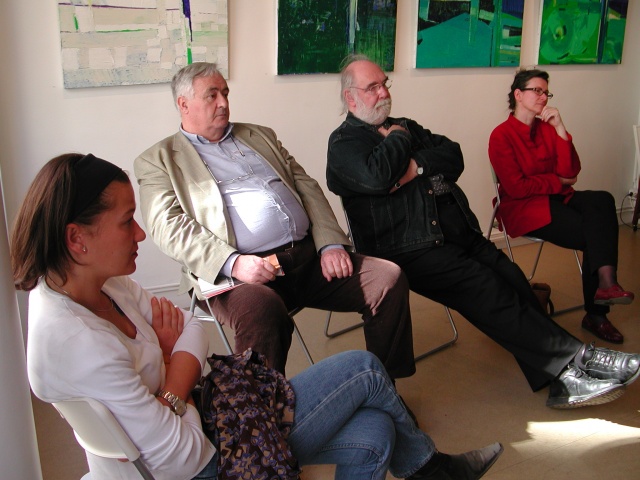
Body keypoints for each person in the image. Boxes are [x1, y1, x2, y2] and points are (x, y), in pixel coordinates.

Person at [12, 153, 504, 480]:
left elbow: (190, 329)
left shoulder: (102, 283)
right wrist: (177, 375)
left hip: (210, 412)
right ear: (77, 239)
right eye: (126, 222)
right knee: (365, 369)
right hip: (209, 462)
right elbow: (183, 457)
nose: (139, 234)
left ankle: (427, 469)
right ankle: (433, 470)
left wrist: (170, 383)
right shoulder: (72, 340)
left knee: (376, 432)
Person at [326, 55, 640, 409]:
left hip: (459, 232)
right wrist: (399, 138)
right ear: (351, 97)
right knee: (489, 289)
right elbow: (377, 177)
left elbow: (453, 155)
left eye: (385, 84)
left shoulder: (405, 124)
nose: (384, 93)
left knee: (514, 281)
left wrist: (416, 166)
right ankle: (579, 359)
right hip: (409, 247)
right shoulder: (345, 143)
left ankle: (560, 380)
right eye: (373, 87)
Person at [134, 62, 415, 379]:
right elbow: (167, 226)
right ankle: (264, 405)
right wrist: (234, 263)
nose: (224, 102)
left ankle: (384, 386)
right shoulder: (159, 160)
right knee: (263, 310)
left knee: (387, 278)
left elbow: (306, 187)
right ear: (184, 104)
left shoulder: (259, 135)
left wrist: (330, 244)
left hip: (306, 258)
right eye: (212, 95)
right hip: (239, 276)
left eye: (225, 93)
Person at [488, 68, 634, 344]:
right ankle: (597, 314)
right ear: (518, 94)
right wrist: (557, 181)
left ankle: (607, 284)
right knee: (595, 233)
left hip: (558, 197)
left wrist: (560, 128)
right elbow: (518, 188)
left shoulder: (547, 128)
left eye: (546, 92)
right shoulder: (501, 135)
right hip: (525, 208)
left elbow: (571, 172)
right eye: (537, 91)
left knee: (602, 199)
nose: (543, 97)